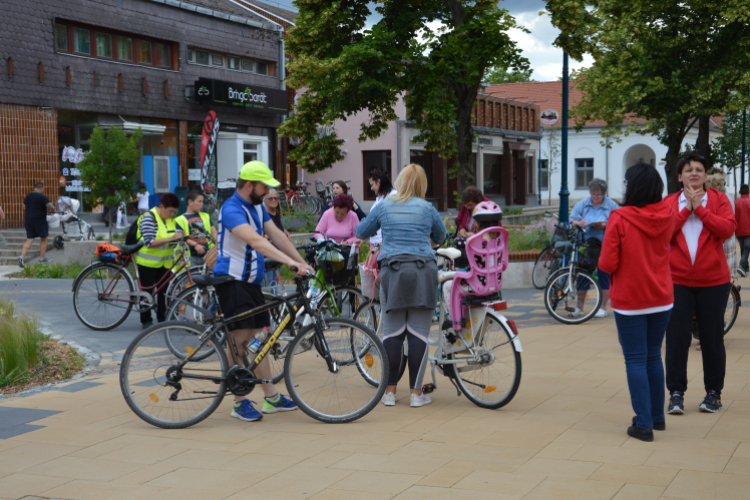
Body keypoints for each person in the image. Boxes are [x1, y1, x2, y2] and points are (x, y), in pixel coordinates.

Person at [213, 161, 314, 422]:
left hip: (251, 282)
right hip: (232, 280)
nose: (270, 191)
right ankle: (239, 400)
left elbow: (277, 236)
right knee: (239, 339)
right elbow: (256, 241)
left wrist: (300, 262)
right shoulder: (232, 208)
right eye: (264, 186)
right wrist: (288, 262)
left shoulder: (257, 207)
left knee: (260, 338)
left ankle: (270, 396)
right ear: (250, 186)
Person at [355, 164, 448, 408]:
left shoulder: (384, 206)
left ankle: (389, 393)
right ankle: (417, 394)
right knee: (419, 333)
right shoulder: (427, 208)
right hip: (423, 270)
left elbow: (361, 231)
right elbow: (441, 236)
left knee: (393, 333)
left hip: (392, 271)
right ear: (422, 185)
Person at [598, 163, 675, 442]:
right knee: (653, 356)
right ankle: (657, 417)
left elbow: (607, 263)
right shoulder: (669, 213)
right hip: (662, 296)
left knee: (635, 360)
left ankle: (643, 424)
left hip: (630, 300)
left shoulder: (620, 217)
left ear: (633, 187)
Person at [664, 154, 736, 415]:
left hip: (713, 282)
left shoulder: (719, 200)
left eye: (699, 170)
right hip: (676, 281)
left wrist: (701, 210)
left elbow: (728, 229)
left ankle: (713, 393)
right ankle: (675, 393)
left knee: (712, 338)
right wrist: (687, 210)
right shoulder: (670, 202)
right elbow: (663, 232)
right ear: (679, 176)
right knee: (676, 338)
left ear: (706, 176)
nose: (693, 173)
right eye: (688, 169)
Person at [570, 178, 619, 318]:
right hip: (586, 245)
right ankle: (579, 307)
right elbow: (572, 219)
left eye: (599, 194)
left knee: (604, 275)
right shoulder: (583, 204)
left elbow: (618, 224)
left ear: (604, 194)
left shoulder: (611, 205)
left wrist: (604, 225)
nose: (595, 197)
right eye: (593, 194)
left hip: (605, 245)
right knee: (583, 275)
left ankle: (602, 307)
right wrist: (579, 223)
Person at [134, 193, 184, 328]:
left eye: (174, 211)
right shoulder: (148, 218)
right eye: (170, 211)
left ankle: (163, 319)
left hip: (164, 262)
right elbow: (149, 242)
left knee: (164, 292)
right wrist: (171, 239)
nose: (172, 214)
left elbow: (175, 236)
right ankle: (146, 320)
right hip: (147, 263)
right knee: (147, 293)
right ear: (161, 207)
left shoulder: (169, 220)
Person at [174, 191, 217, 267]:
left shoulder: (206, 216)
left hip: (208, 255)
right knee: (193, 278)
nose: (202, 204)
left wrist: (218, 243)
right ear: (190, 202)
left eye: (202, 201)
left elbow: (214, 232)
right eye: (199, 201)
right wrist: (196, 245)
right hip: (191, 256)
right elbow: (181, 237)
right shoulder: (180, 219)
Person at [20, 182, 55, 267]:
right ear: (41, 188)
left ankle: (22, 257)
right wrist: (52, 211)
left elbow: (24, 207)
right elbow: (51, 206)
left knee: (29, 239)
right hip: (39, 221)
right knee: (44, 239)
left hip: (28, 221)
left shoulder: (27, 196)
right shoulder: (42, 197)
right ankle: (41, 259)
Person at [262, 188, 289, 294]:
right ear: (265, 200)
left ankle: (273, 309)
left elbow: (277, 227)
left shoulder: (276, 212)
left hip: (278, 252)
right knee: (268, 288)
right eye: (270, 198)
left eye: (276, 198)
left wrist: (284, 230)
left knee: (275, 285)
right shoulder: (263, 214)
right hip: (268, 254)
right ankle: (269, 309)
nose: (273, 200)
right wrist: (266, 236)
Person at [367, 167, 397, 246]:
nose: (371, 188)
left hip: (384, 243)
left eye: (372, 184)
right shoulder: (380, 197)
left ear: (378, 182)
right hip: (375, 241)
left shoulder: (393, 196)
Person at [735, 184, 750, 276]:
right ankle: (741, 266)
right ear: (748, 192)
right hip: (749, 230)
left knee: (743, 248)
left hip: (739, 230)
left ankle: (746, 268)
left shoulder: (736, 202)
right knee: (747, 249)